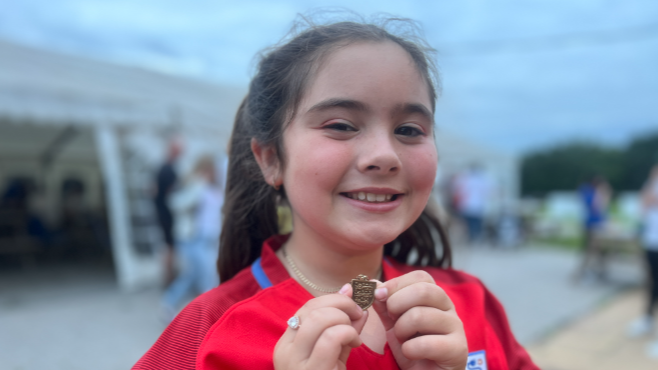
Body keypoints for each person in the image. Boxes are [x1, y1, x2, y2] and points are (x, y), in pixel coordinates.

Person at [134, 17, 538, 370]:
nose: (384, 155)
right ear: (272, 158)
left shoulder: (469, 304)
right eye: (342, 125)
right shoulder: (208, 331)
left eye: (410, 130)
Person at [160, 155, 223, 321]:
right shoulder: (196, 186)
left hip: (210, 238)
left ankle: (170, 303)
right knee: (206, 275)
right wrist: (198, 184)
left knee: (194, 275)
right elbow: (177, 203)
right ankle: (206, 314)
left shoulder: (214, 188)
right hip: (194, 239)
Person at [627, 163, 658, 357]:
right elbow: (642, 208)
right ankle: (647, 319)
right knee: (653, 282)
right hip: (652, 241)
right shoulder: (651, 184)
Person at [153, 138, 182, 286]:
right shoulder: (168, 169)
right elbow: (171, 193)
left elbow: (152, 190)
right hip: (166, 214)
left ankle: (168, 276)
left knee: (168, 245)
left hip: (162, 212)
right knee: (170, 246)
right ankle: (169, 278)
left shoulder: (162, 167)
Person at [574, 176, 611, 282]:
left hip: (597, 226)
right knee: (590, 249)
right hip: (592, 226)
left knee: (599, 250)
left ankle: (600, 271)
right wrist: (604, 195)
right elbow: (596, 208)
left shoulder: (590, 192)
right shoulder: (590, 193)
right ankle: (580, 273)